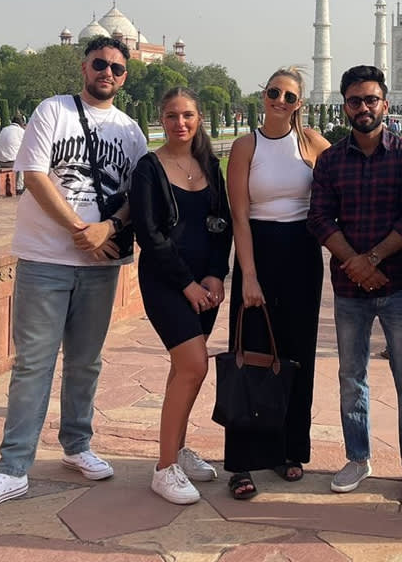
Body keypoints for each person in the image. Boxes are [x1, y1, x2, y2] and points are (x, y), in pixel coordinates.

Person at [0, 36, 148, 511]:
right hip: (45, 257)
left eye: (117, 68)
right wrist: (80, 229)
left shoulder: (129, 131)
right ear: (84, 67)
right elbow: (35, 176)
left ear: (125, 77)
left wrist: (107, 229)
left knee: (86, 361)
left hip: (100, 264)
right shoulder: (54, 110)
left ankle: (77, 445)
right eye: (100, 64)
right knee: (33, 365)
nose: (107, 73)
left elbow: (137, 195)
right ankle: (12, 469)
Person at [307, 64, 402, 498]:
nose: (363, 107)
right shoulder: (331, 160)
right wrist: (356, 263)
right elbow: (319, 218)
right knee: (351, 376)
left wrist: (374, 258)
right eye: (355, 101)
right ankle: (357, 458)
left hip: (398, 283)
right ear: (344, 106)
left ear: (385, 103)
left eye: (370, 99)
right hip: (350, 288)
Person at [222, 67, 330, 500]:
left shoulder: (313, 144)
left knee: (296, 355)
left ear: (299, 102)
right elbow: (239, 216)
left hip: (303, 254)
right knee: (251, 354)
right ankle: (242, 461)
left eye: (289, 96)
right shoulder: (246, 146)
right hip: (259, 252)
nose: (279, 101)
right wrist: (248, 275)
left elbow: (341, 187)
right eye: (273, 92)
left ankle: (289, 450)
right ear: (263, 95)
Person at [128, 86, 232, 505]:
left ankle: (178, 447)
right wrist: (187, 284)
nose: (180, 123)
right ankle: (164, 467)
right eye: (171, 115)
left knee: (183, 369)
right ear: (162, 119)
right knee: (193, 365)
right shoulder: (149, 168)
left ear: (199, 118)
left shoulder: (209, 163)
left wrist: (216, 274)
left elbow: (222, 223)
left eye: (187, 115)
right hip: (166, 281)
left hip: (204, 283)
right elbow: (149, 234)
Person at [0, 114, 27, 193]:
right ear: (21, 123)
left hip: (1, 161)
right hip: (12, 162)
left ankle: (16, 185)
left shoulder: (4, 129)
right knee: (25, 162)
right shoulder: (20, 131)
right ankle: (19, 187)